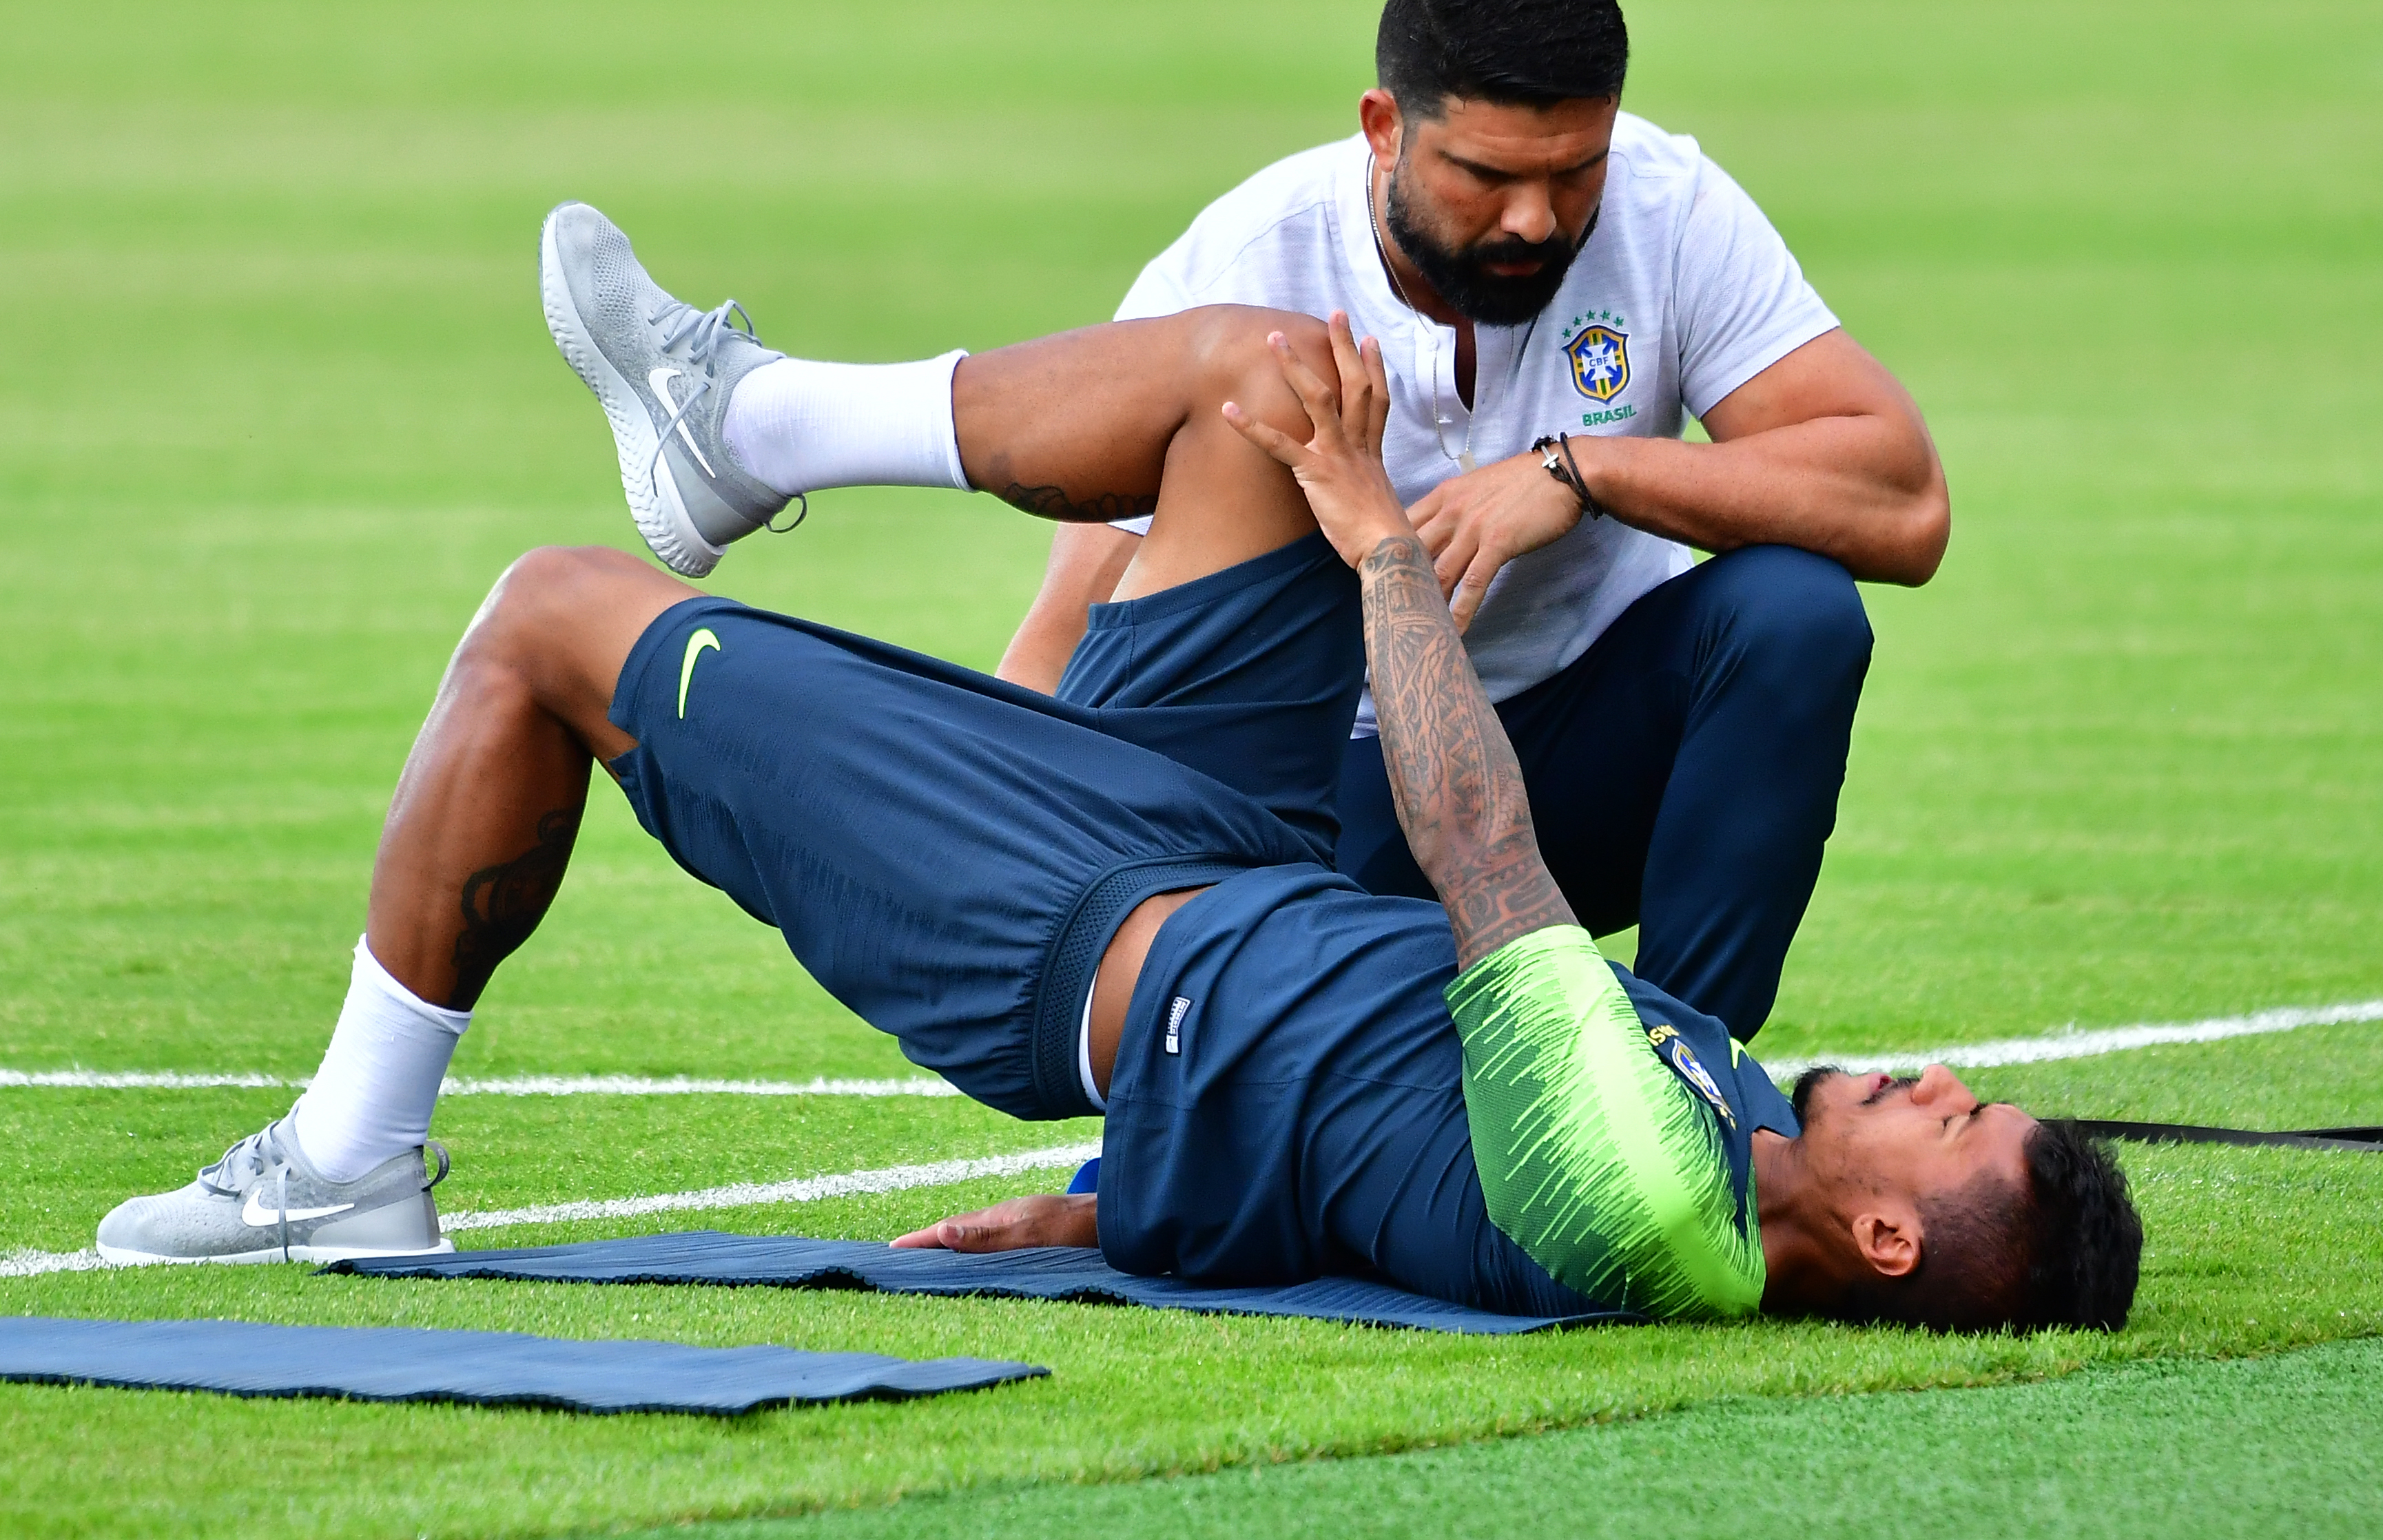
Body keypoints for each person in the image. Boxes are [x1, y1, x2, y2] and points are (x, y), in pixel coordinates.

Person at [97, 207, 2134, 1332]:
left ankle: (347, 1163)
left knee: (548, 615)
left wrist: (1378, 539)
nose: (1940, 1077)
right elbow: (1363, 1168)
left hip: (1083, 933)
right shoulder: (1736, 1129)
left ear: (1886, 1242)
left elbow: (1475, 845)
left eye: (1956, 1122)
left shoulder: (1642, 1189)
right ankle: (754, 423)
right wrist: (1097, 1214)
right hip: (1235, 846)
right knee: (1262, 372)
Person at [974, 0, 1948, 1045]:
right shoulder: (1239, 273)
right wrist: (1021, 898)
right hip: (1340, 797)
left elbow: (1905, 504)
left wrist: (1584, 471)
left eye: (1576, 171)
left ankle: (1682, 1079)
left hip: (1592, 760)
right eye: (1486, 175)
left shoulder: (1668, 208)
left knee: (1794, 612)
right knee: (1312, 1054)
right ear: (1383, 127)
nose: (1535, 219)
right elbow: (1076, 630)